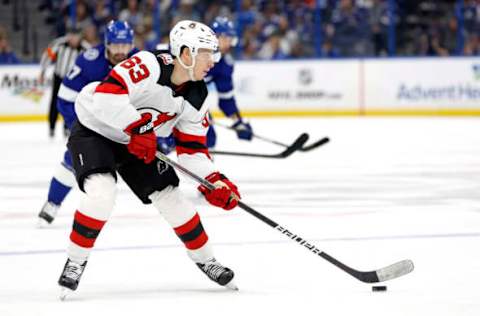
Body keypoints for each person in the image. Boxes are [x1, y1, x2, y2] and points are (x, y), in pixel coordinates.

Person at [58, 20, 241, 299]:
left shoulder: (198, 94)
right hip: (97, 129)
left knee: (171, 197)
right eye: (207, 52)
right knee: (101, 193)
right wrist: (139, 127)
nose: (213, 60)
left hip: (137, 142)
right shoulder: (147, 64)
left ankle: (207, 260)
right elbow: (107, 96)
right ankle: (75, 260)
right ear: (187, 53)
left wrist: (214, 181)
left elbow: (192, 149)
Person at [37, 20, 137, 227]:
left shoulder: (139, 61)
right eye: (116, 45)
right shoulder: (89, 61)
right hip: (91, 123)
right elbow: (64, 98)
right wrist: (81, 127)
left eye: (125, 45)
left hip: (123, 125)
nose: (121, 51)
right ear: (107, 43)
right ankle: (52, 203)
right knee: (72, 160)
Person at [157, 17, 253, 154]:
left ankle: (202, 170)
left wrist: (238, 122)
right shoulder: (178, 49)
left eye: (231, 39)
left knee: (208, 135)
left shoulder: (223, 64)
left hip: (188, 103)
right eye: (226, 38)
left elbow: (226, 99)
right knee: (160, 139)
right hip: (161, 101)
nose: (229, 43)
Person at [39, 28, 91, 138]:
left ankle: (67, 127)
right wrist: (42, 72)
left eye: (75, 36)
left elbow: (92, 63)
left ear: (79, 37)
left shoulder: (86, 48)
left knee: (71, 103)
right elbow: (47, 55)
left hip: (74, 80)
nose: (72, 39)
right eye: (70, 36)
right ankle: (51, 127)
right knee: (54, 102)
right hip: (58, 76)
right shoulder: (59, 43)